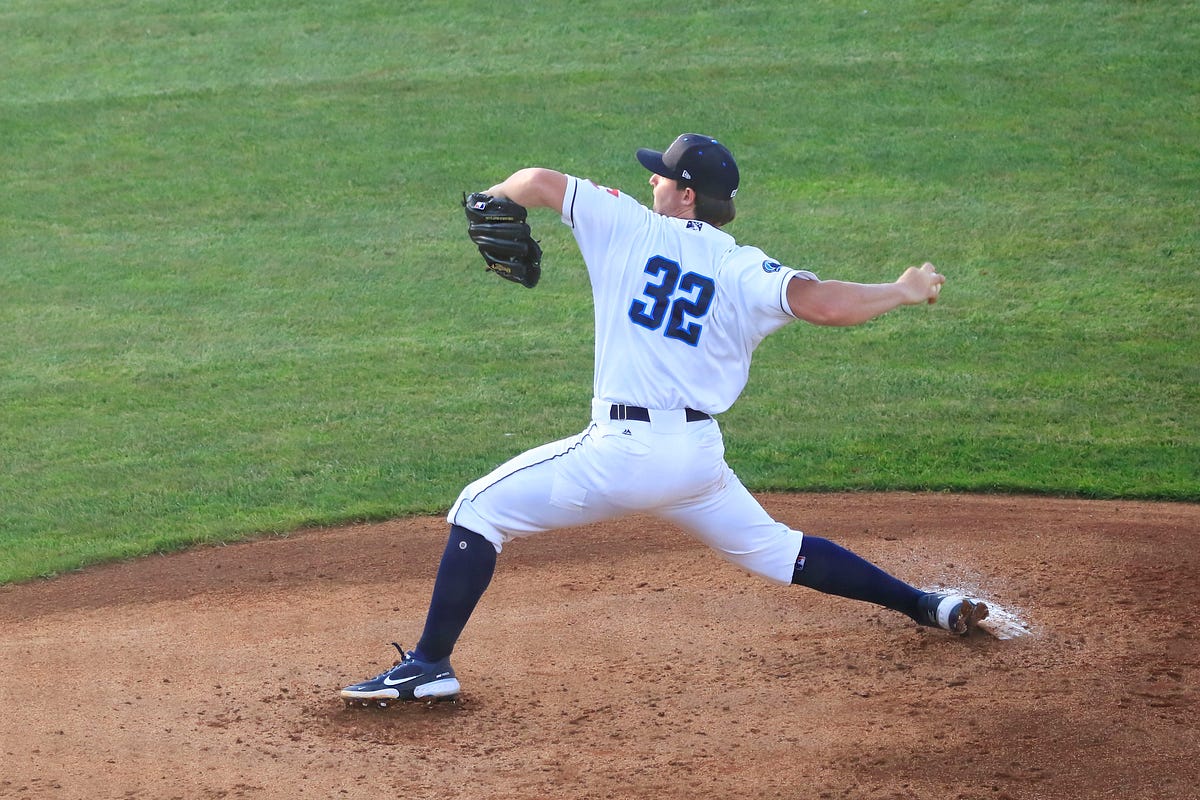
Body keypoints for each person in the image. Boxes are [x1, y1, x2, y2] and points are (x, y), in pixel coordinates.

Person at [340, 133, 988, 707]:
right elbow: (821, 304)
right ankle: (930, 605)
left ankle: (428, 666)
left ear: (684, 195)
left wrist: (490, 196)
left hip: (622, 454)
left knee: (478, 509)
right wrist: (900, 291)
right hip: (697, 461)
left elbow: (534, 183)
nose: (650, 179)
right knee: (777, 549)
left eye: (661, 175)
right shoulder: (742, 265)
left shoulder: (625, 224)